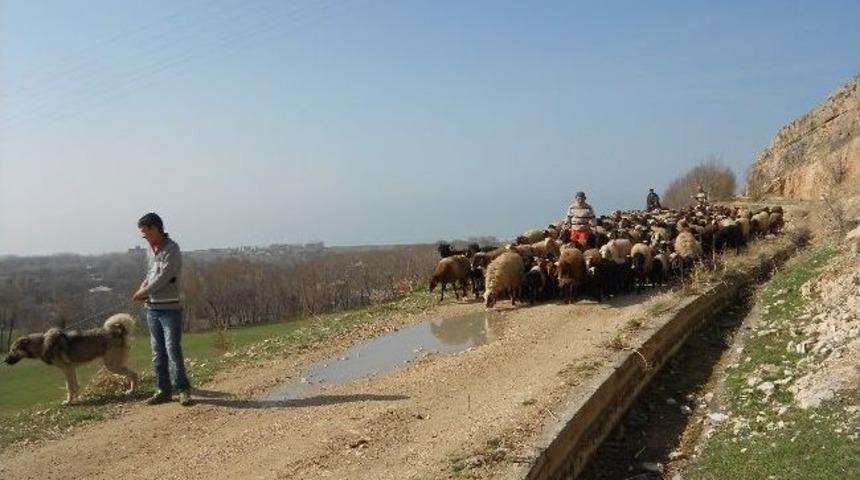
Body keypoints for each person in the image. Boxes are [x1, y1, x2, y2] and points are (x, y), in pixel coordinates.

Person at [132, 213, 192, 406]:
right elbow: (150, 275)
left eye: (145, 233)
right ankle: (163, 390)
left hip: (170, 308)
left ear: (155, 228)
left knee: (172, 348)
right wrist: (141, 290)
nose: (144, 237)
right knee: (157, 351)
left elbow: (164, 277)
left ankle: (183, 389)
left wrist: (144, 291)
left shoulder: (172, 249)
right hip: (152, 309)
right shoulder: (150, 251)